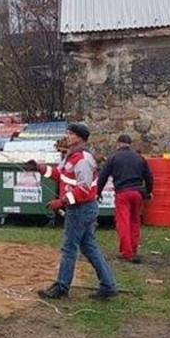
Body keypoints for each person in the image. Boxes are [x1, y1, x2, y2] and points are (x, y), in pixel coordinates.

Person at [24, 123, 118, 300]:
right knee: (89, 247)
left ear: (80, 138)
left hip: (81, 209)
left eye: (70, 134)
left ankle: (62, 286)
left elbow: (84, 190)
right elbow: (59, 174)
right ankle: (108, 285)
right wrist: (39, 167)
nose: (67, 136)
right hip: (81, 208)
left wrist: (61, 202)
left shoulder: (82, 159)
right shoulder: (70, 157)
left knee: (69, 248)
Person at [97, 134, 153, 263]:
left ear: (118, 143)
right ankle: (133, 249)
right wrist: (148, 192)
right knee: (135, 221)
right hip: (137, 193)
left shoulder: (113, 158)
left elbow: (103, 176)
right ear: (130, 144)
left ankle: (126, 252)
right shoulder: (139, 158)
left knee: (123, 222)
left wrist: (98, 192)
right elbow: (149, 177)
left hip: (122, 193)